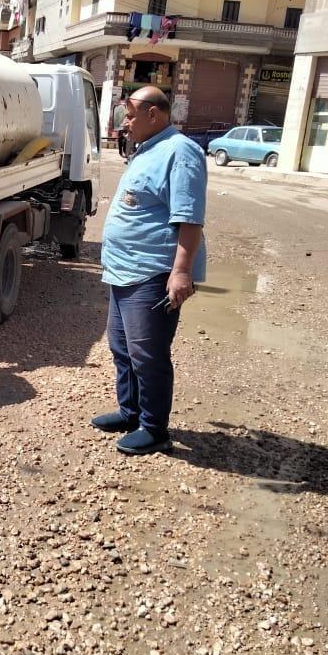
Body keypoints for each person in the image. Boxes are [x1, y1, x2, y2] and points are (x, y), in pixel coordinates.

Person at [92, 86, 207, 456]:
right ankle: (130, 412)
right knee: (121, 348)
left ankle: (155, 429)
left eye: (130, 115)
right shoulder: (147, 150)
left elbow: (189, 218)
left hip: (152, 272)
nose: (125, 123)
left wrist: (181, 272)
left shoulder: (181, 152)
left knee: (149, 354)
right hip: (124, 270)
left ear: (153, 114)